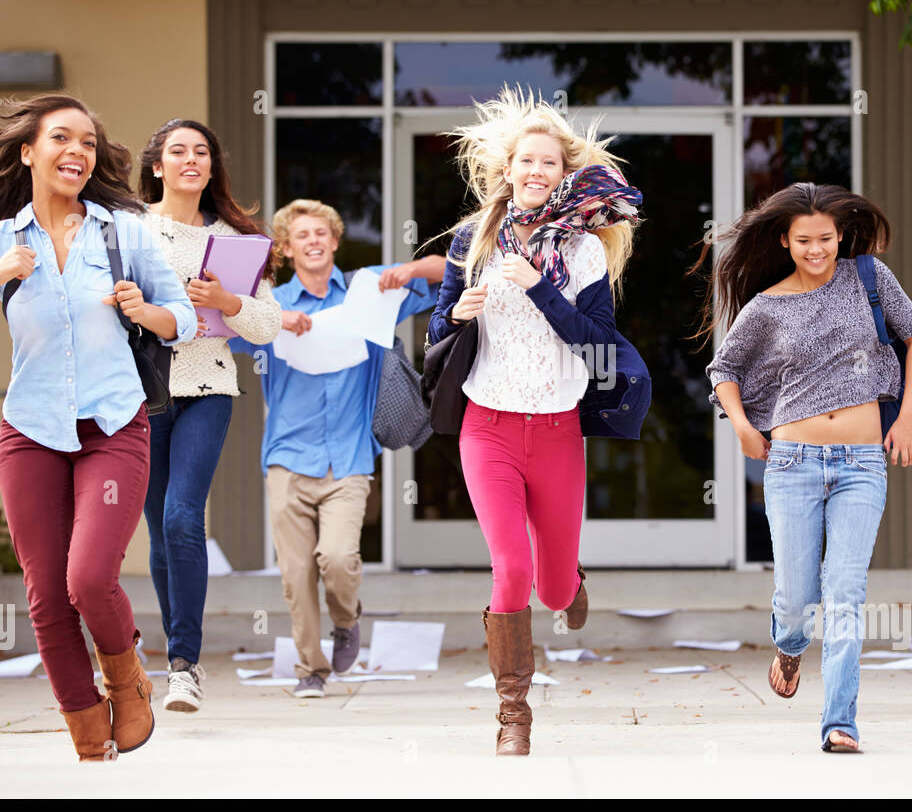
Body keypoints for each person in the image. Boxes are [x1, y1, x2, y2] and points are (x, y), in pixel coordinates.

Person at [0, 94, 196, 761]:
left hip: (112, 423)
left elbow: (183, 319)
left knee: (89, 578)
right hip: (31, 431)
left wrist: (144, 308)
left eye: (89, 143)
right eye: (62, 138)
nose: (77, 152)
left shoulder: (124, 231)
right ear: (28, 152)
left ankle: (128, 681)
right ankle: (87, 735)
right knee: (45, 595)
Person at [426, 87, 643, 756]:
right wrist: (459, 312)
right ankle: (512, 714)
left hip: (555, 430)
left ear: (563, 173)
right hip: (487, 426)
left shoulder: (580, 252)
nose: (537, 172)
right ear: (509, 167)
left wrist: (538, 287)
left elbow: (598, 343)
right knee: (511, 569)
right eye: (527, 160)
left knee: (551, 586)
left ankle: (572, 579)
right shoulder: (473, 239)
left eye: (550, 163)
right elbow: (438, 327)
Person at [697, 182, 912, 753]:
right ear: (785, 240)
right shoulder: (767, 305)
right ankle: (789, 644)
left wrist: (903, 421)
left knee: (846, 591)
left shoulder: (870, 279)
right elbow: (722, 370)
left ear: (841, 235)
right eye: (804, 240)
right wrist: (747, 430)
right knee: (799, 597)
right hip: (793, 462)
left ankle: (840, 721)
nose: (817, 249)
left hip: (862, 462)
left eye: (826, 238)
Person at [229, 199, 445, 698]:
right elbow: (214, 319)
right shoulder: (270, 308)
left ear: (334, 241)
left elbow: (449, 270)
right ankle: (311, 668)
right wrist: (272, 320)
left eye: (321, 233)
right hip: (287, 458)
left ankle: (347, 621)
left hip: (348, 458)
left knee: (339, 559)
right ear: (285, 248)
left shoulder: (370, 289)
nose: (313, 241)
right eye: (301, 235)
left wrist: (409, 268)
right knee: (296, 572)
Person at [137, 118, 282, 712]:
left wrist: (227, 301)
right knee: (157, 529)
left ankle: (183, 664)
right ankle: (178, 652)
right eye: (178, 151)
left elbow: (267, 325)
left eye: (202, 151)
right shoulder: (129, 231)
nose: (191, 160)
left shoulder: (238, 240)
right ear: (157, 166)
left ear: (212, 167)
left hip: (207, 386)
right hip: (141, 392)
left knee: (181, 517)